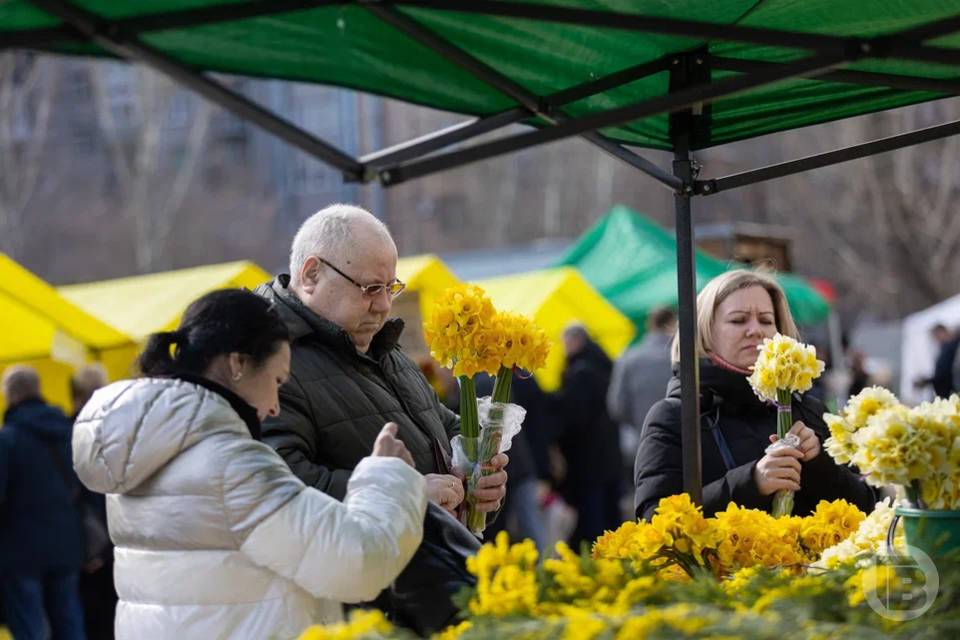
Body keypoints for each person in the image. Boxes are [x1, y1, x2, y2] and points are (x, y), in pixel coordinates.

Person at [71, 289, 427, 640]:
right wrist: (386, 477)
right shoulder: (231, 465)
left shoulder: (143, 448)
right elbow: (357, 563)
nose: (274, 406)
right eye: (276, 380)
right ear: (238, 364)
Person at [256, 204, 507, 513]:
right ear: (311, 275)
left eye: (390, 288)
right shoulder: (271, 361)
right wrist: (404, 495)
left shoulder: (383, 349)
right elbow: (278, 488)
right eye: (370, 288)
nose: (384, 305)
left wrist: (476, 477)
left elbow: (443, 426)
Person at [634, 270, 876, 521]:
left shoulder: (808, 411)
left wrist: (818, 464)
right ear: (705, 335)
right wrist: (752, 482)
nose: (755, 330)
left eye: (766, 320)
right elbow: (653, 521)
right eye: (738, 320)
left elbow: (867, 509)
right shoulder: (676, 417)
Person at [0, 365, 86, 640]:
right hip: (67, 544)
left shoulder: (7, 439)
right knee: (69, 620)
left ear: (9, 395)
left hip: (21, 550)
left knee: (31, 627)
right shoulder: (70, 432)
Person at [554, 323, 622, 548]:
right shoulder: (605, 366)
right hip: (609, 451)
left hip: (587, 456)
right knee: (610, 510)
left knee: (593, 516)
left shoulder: (580, 372)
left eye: (565, 343)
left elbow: (574, 418)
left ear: (575, 341)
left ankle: (597, 560)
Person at [70, 364, 117, 640]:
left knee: (91, 618)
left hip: (89, 545)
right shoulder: (122, 430)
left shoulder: (69, 432)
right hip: (121, 540)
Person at [914, 323, 959, 398]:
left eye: (936, 336)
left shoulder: (951, 348)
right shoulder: (946, 347)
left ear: (942, 332)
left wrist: (926, 381)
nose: (936, 339)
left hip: (950, 392)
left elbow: (945, 374)